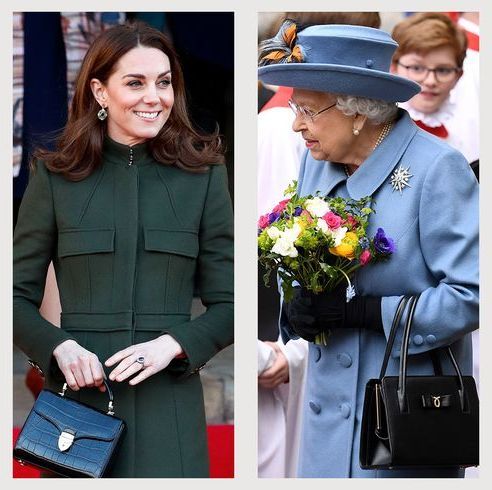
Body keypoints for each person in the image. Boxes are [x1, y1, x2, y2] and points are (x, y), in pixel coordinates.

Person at [258, 21, 478, 478]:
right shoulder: (315, 160)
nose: (296, 123)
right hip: (324, 431)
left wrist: (370, 313)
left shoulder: (438, 170)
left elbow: (470, 295)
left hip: (400, 424)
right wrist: (295, 307)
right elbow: (300, 254)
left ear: (358, 112)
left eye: (308, 110)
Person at [13, 22, 234, 478]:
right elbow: (13, 296)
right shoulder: (54, 177)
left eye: (164, 81)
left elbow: (232, 302)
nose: (154, 97)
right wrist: (58, 348)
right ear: (100, 91)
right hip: (77, 409)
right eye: (135, 83)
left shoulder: (204, 177)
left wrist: (174, 344)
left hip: (169, 406)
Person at [390, 12, 478, 164]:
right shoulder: (372, 125)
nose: (430, 81)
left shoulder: (474, 129)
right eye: (417, 68)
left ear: (458, 75)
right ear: (394, 68)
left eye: (443, 70)